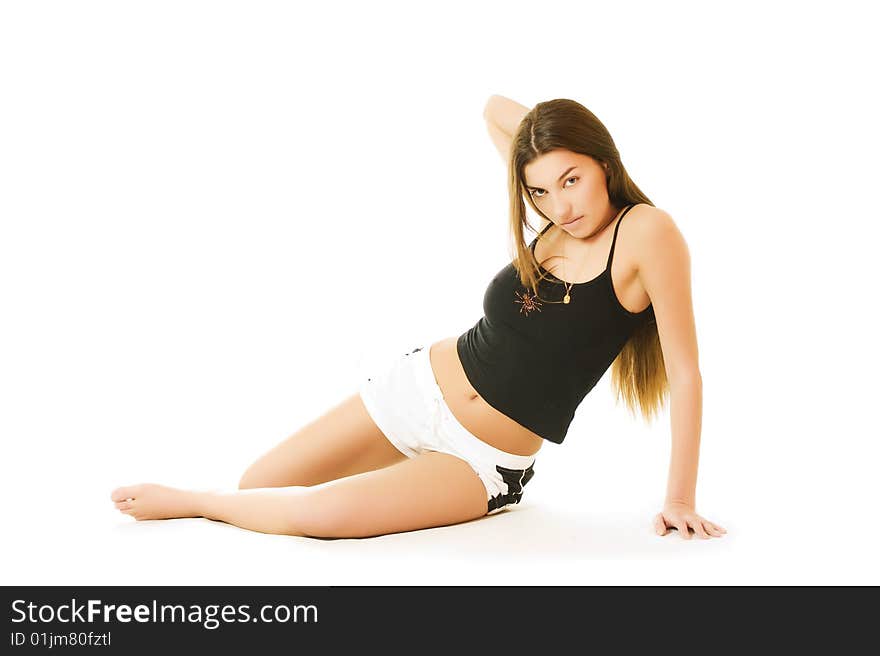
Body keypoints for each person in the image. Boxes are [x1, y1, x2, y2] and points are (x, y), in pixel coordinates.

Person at [111, 95, 726, 541]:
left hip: (479, 460)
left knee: (316, 518)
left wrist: (678, 499)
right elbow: (495, 108)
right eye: (539, 191)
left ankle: (189, 502)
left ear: (604, 162)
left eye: (573, 179)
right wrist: (543, 143)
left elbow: (687, 374)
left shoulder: (646, 233)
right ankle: (366, 483)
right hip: (417, 388)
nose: (559, 206)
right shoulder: (555, 208)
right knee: (258, 484)